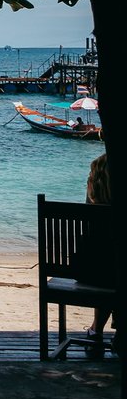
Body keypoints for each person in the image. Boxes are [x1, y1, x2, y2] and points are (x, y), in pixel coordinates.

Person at [76, 152, 118, 357]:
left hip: (88, 269)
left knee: (108, 267)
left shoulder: (97, 171)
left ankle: (96, 331)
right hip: (112, 272)